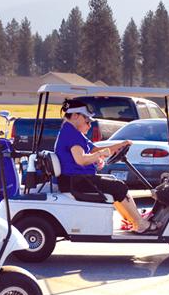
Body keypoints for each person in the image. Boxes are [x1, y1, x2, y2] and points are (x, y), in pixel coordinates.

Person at [55, 99, 159, 234]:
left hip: (76, 180)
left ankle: (134, 220)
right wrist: (100, 154)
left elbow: (93, 150)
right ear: (75, 116)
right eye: (87, 121)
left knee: (115, 185)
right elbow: (80, 160)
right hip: (77, 182)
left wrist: (120, 145)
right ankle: (140, 224)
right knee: (119, 187)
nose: (90, 124)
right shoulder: (71, 134)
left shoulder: (72, 132)